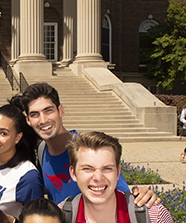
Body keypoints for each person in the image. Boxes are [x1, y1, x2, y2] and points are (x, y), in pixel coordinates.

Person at [16, 82, 159, 207]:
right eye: (35, 114)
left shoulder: (89, 150)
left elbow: (121, 195)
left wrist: (139, 195)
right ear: (28, 120)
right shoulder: (42, 151)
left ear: (61, 110)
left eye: (48, 111)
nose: (43, 120)